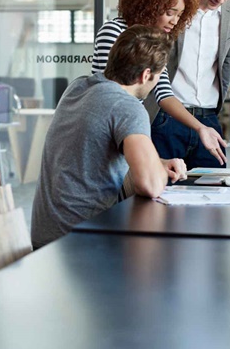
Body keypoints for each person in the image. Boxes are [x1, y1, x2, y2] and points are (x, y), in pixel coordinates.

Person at [32, 25, 187, 248]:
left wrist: (158, 163)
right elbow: (150, 185)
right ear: (145, 75)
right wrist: (157, 170)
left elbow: (92, 152)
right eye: (159, 76)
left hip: (45, 237)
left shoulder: (78, 87)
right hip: (82, 241)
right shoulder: (127, 107)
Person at [91, 0, 230, 165]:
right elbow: (105, 92)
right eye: (170, 12)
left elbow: (164, 93)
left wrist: (201, 128)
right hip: (110, 131)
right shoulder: (114, 31)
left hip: (130, 129)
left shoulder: (156, 43)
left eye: (180, 15)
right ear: (150, 4)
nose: (175, 21)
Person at [150, 0, 230, 169]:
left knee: (214, 193)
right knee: (163, 193)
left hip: (209, 116)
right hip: (166, 117)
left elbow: (229, 54)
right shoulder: (174, 2)